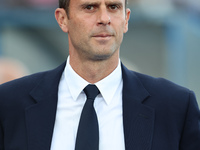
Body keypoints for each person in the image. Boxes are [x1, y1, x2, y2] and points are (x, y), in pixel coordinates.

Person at [0, 0, 199, 149]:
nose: (104, 18)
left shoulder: (175, 107)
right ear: (62, 19)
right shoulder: (10, 103)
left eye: (113, 7)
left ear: (126, 19)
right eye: (90, 7)